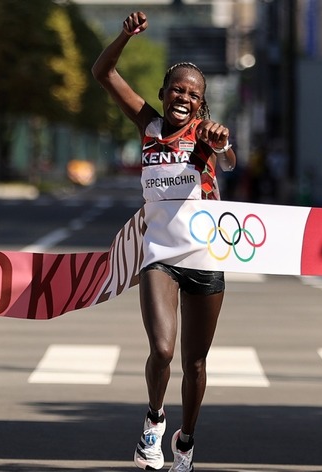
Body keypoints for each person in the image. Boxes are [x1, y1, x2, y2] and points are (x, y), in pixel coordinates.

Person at [92, 11, 237, 472]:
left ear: (201, 106)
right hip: (159, 257)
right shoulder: (149, 127)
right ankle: (153, 423)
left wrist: (221, 142)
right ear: (162, 93)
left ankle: (186, 444)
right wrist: (125, 35)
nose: (184, 97)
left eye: (194, 94)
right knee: (164, 350)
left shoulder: (206, 138)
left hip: (206, 257)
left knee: (195, 365)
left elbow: (229, 159)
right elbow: (103, 73)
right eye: (178, 88)